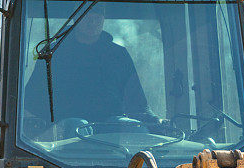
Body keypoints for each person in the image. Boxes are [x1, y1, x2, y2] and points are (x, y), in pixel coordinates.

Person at [23, 4, 160, 133]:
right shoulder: (53, 53)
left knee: (135, 130)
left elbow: (137, 103)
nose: (92, 22)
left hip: (111, 125)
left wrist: (157, 123)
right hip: (65, 131)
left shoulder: (118, 55)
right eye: (87, 16)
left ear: (103, 19)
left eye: (97, 17)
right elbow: (33, 101)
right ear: (76, 17)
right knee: (77, 126)